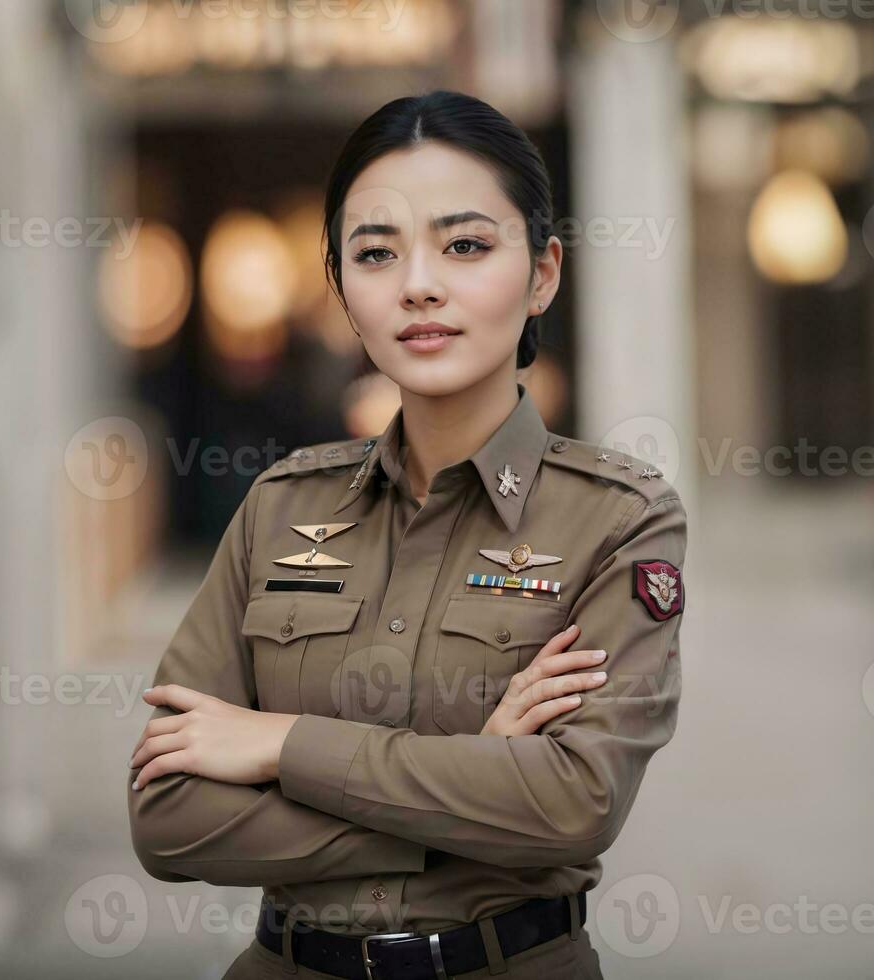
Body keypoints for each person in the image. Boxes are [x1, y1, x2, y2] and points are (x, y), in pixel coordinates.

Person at [127, 90, 687, 980]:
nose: (418, 283)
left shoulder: (617, 520)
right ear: (343, 288)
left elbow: (574, 804)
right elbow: (168, 818)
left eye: (464, 245)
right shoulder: (279, 507)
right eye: (376, 252)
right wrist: (471, 790)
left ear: (542, 272)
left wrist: (279, 747)